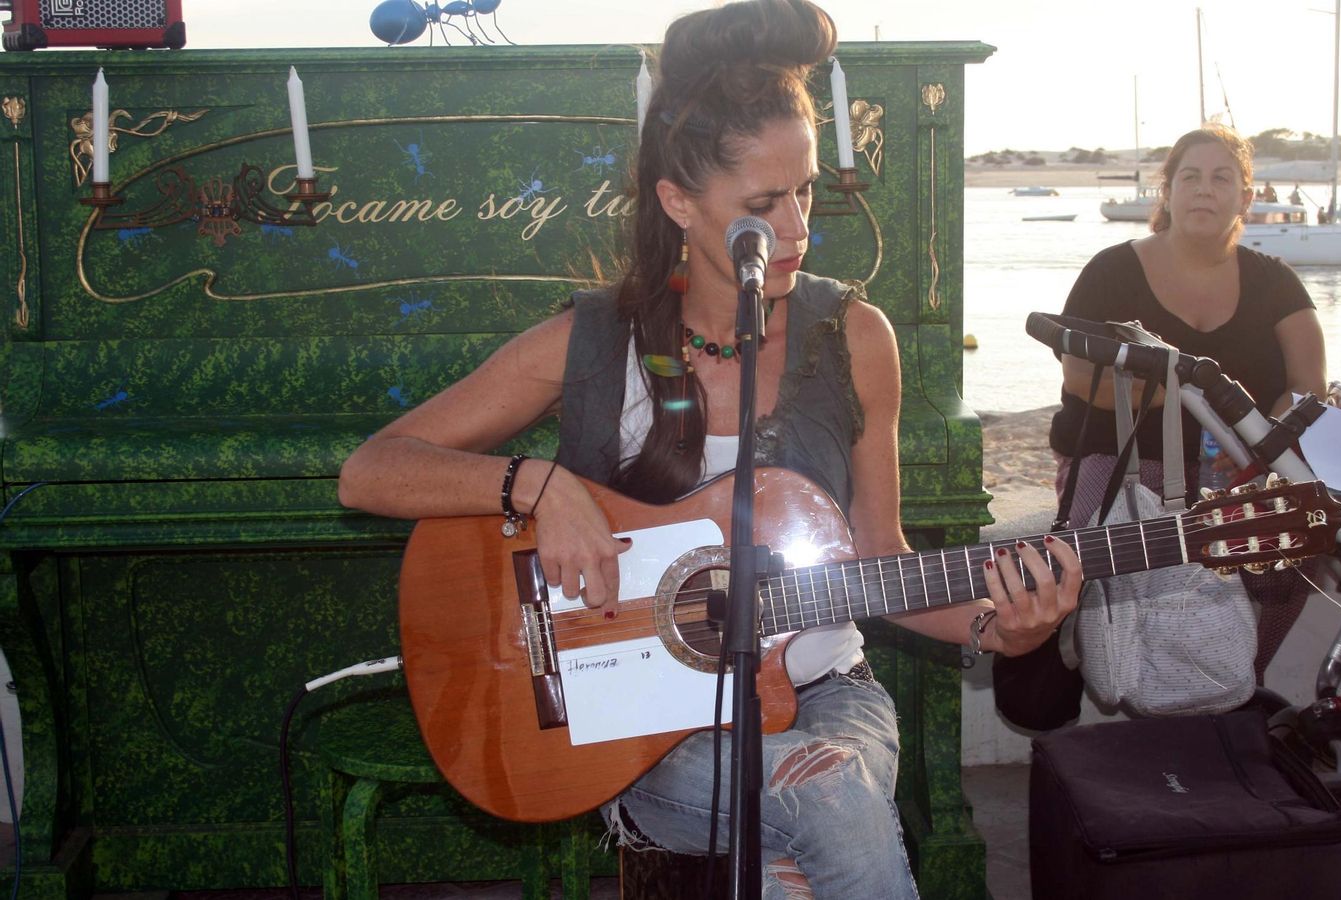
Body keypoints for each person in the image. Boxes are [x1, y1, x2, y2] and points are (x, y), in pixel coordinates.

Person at [338, 1, 1081, 895]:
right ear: (679, 202)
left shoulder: (856, 336)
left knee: (823, 801)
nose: (799, 228)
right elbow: (370, 471)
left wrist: (1007, 628)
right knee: (830, 812)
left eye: (806, 191)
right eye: (764, 206)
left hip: (830, 701)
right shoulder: (592, 342)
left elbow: (882, 560)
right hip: (646, 726)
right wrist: (537, 485)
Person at [1048, 123, 1327, 680]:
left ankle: (1239, 683)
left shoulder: (1277, 283)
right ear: (1167, 192)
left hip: (1235, 468)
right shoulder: (1111, 271)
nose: (1204, 189)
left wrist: (1260, 445)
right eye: (1190, 177)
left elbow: (1309, 386)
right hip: (1125, 460)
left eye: (1221, 178)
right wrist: (1172, 399)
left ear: (1245, 197)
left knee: (1297, 544)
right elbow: (1080, 378)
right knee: (1097, 538)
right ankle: (1089, 664)